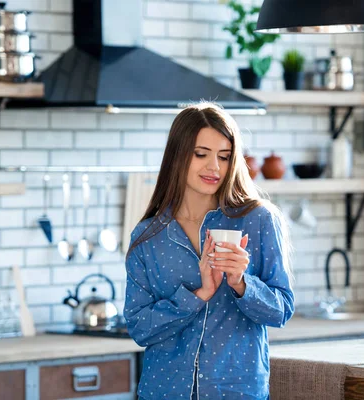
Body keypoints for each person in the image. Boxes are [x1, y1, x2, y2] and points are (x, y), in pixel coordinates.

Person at [124, 102, 294, 400]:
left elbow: (281, 310)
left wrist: (242, 283)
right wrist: (198, 294)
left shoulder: (258, 221)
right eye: (201, 154)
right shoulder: (149, 236)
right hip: (164, 391)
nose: (214, 167)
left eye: (224, 157)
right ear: (177, 156)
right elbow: (139, 328)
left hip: (235, 392)